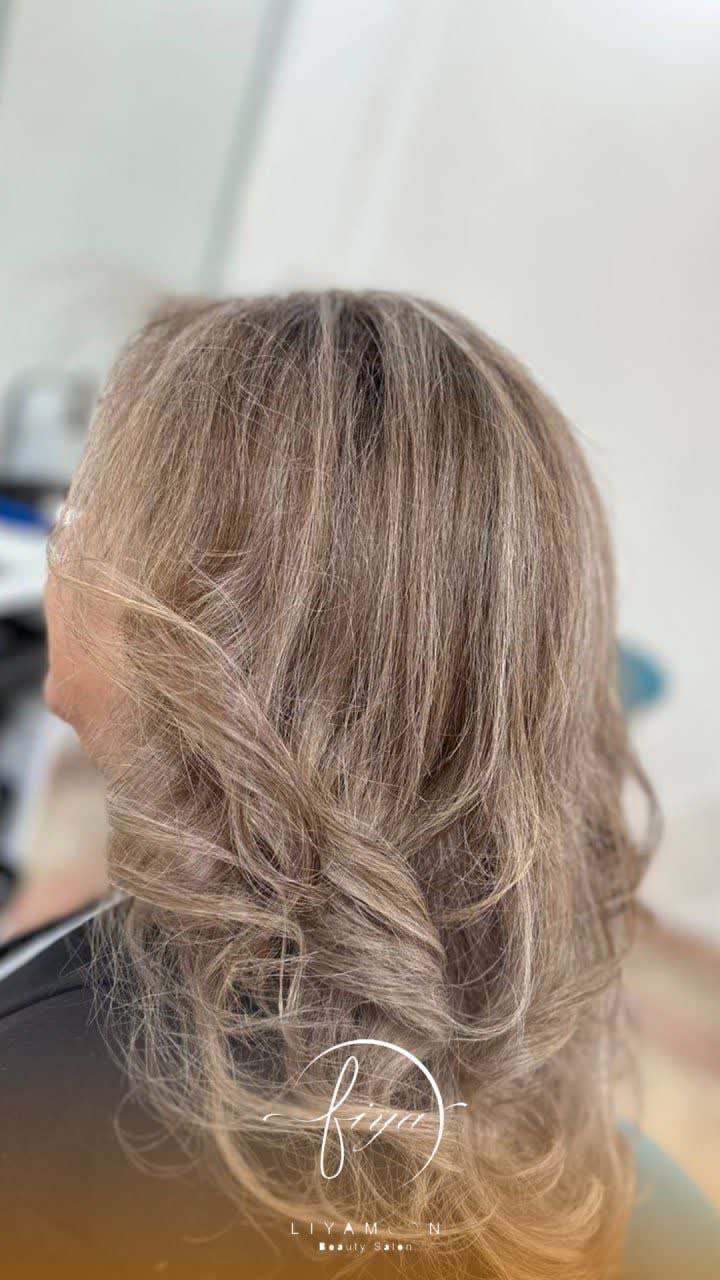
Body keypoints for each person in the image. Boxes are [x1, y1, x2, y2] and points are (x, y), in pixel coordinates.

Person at [0, 290, 717, 1279]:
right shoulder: (565, 1109)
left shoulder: (43, 1122)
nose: (60, 551)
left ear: (211, 629)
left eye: (85, 514)